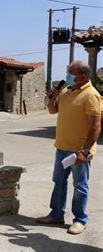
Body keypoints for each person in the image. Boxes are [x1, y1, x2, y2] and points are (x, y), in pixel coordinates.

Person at [36, 61, 101, 234]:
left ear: (84, 76)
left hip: (80, 151)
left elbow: (96, 126)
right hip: (62, 148)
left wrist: (85, 151)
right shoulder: (66, 90)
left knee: (80, 186)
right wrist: (53, 97)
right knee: (59, 182)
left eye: (71, 73)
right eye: (67, 72)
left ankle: (80, 219)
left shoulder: (91, 95)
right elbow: (52, 110)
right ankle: (56, 214)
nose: (68, 76)